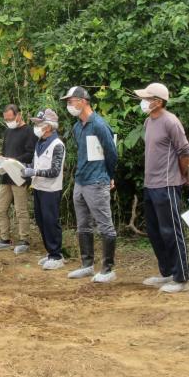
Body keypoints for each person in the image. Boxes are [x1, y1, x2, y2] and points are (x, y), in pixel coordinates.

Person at [134, 83, 189, 293]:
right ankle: (166, 272)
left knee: (171, 231)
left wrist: (182, 175)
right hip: (151, 184)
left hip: (167, 185)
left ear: (158, 101)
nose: (143, 102)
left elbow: (184, 151)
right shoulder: (149, 121)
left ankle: (181, 277)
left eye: (147, 99)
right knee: (155, 231)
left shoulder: (171, 121)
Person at [62, 86, 119, 283]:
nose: (69, 105)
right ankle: (87, 265)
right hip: (81, 181)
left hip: (97, 181)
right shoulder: (78, 127)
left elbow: (111, 152)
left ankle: (108, 269)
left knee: (105, 225)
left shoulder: (99, 125)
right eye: (68, 102)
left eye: (71, 101)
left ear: (83, 100)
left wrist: (109, 175)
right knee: (83, 225)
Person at [0, 104, 37, 254]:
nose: (8, 121)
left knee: (20, 210)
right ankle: (5, 239)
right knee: (0, 208)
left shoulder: (29, 131)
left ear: (19, 115)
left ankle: (24, 240)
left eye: (11, 118)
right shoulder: (8, 131)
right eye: (6, 119)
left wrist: (12, 160)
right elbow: (5, 151)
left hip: (19, 175)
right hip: (6, 175)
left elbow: (30, 154)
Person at [24, 109, 66, 270]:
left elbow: (54, 171)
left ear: (48, 127)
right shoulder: (40, 143)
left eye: (39, 124)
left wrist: (34, 172)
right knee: (41, 221)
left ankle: (56, 255)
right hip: (38, 187)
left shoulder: (57, 145)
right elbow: (35, 164)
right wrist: (22, 167)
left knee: (50, 221)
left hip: (51, 189)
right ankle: (50, 253)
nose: (36, 126)